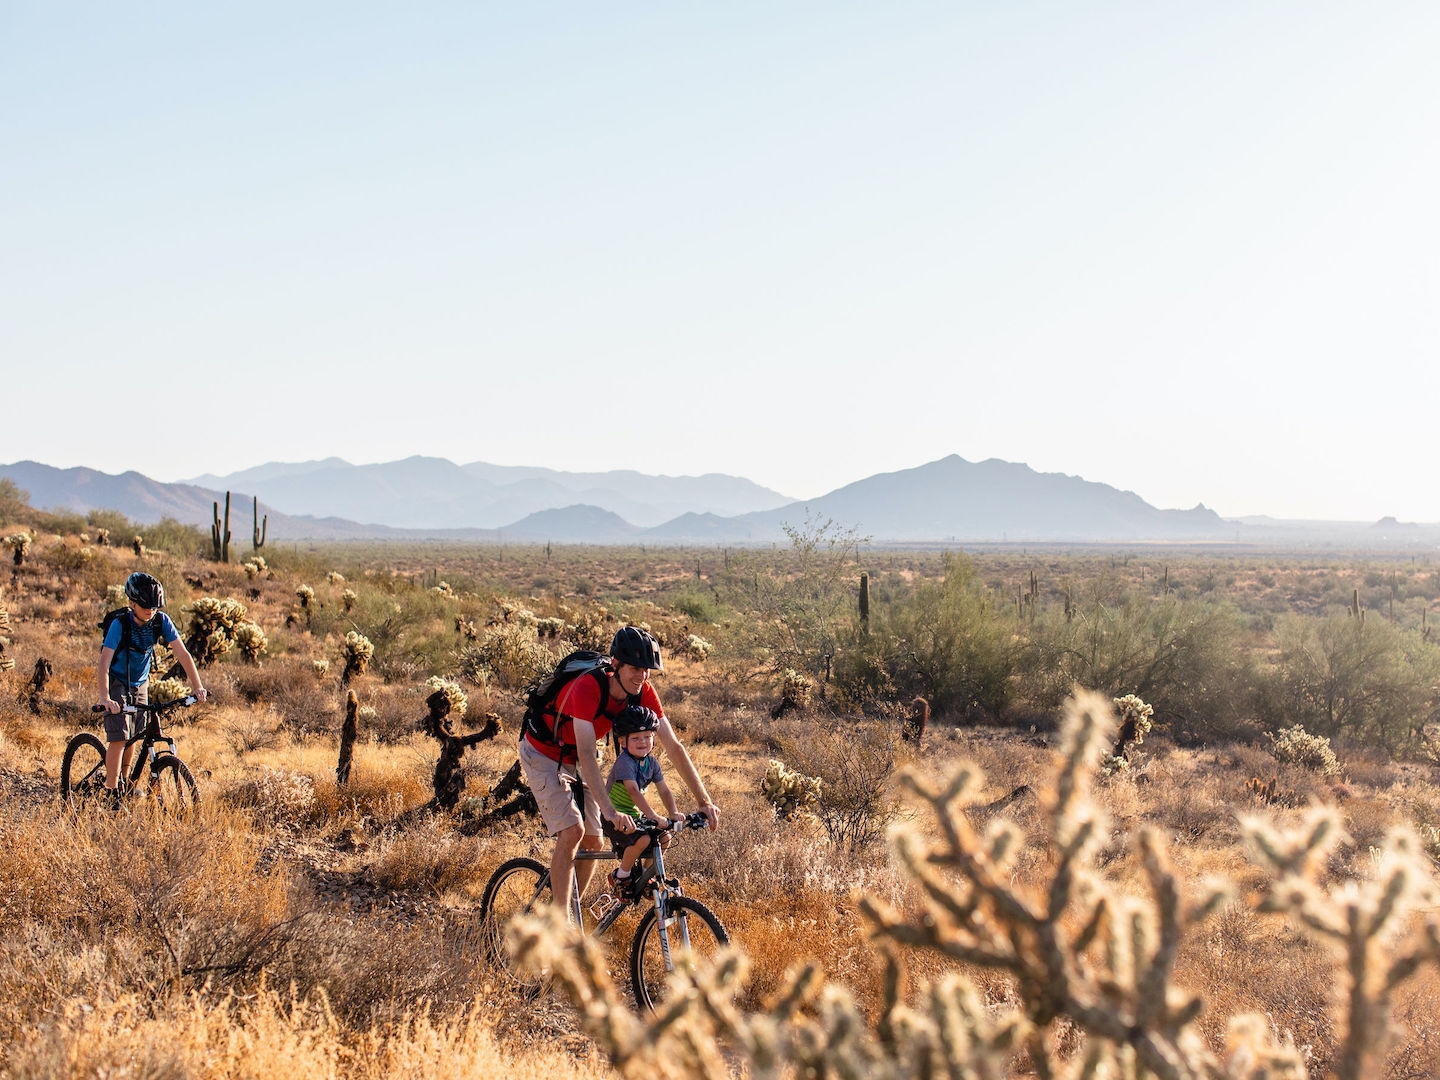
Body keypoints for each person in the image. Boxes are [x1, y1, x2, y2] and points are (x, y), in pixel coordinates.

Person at [518, 626, 720, 922]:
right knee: (573, 830)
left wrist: (705, 801)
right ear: (616, 665)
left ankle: (572, 906)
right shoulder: (588, 687)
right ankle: (559, 925)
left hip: (576, 756)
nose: (642, 676)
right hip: (544, 752)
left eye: (647, 670)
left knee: (594, 841)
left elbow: (673, 747)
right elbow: (587, 755)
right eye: (636, 668)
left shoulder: (643, 692)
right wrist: (610, 811)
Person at [95, 572, 207, 804]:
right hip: (117, 681)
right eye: (146, 606)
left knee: (134, 737)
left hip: (141, 683)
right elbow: (104, 662)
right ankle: (110, 790)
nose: (151, 610)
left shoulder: (160, 621)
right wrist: (105, 697)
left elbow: (183, 655)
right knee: (119, 738)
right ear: (131, 603)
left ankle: (124, 785)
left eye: (155, 606)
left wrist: (198, 687)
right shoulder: (120, 624)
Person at [603, 704, 680, 900]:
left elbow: (663, 789)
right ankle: (620, 876)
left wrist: (674, 812)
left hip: (634, 816)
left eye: (647, 736)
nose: (642, 742)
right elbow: (633, 791)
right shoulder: (625, 762)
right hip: (613, 815)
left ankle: (646, 877)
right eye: (636, 738)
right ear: (622, 741)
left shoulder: (651, 762)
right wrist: (653, 816)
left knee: (665, 838)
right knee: (643, 839)